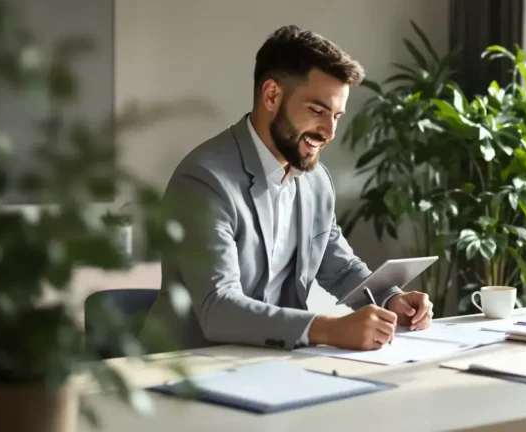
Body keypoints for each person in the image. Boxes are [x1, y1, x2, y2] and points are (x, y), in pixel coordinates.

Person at [144, 25, 434, 352]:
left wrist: (392, 298)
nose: (329, 131)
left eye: (337, 115)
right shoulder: (204, 180)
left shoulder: (315, 180)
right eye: (317, 111)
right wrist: (328, 328)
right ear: (271, 95)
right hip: (187, 370)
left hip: (272, 364)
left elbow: (339, 268)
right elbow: (219, 308)